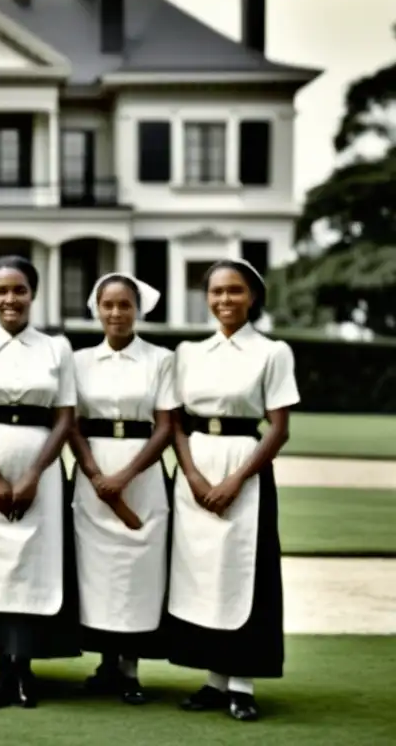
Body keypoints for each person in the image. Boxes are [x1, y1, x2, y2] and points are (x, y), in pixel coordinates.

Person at [166, 258, 300, 722]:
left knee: (243, 572)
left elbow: (279, 429)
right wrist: (194, 477)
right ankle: (213, 680)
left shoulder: (272, 352)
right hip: (196, 467)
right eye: (216, 292)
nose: (224, 300)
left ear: (253, 297)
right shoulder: (188, 353)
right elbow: (176, 423)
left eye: (235, 291)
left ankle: (242, 684)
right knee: (202, 574)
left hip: (244, 468)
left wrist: (235, 480)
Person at [0, 255, 80, 710]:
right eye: (2, 290)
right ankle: (0, 673)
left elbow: (64, 418)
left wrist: (32, 473)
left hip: (40, 475)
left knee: (31, 568)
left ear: (33, 294)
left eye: (19, 290)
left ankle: (25, 671)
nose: (11, 299)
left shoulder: (56, 349)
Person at [67, 273, 177, 705]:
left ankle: (130, 669)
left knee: (137, 570)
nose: (116, 313)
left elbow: (166, 427)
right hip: (93, 474)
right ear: (96, 309)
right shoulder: (78, 361)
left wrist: (124, 478)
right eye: (108, 305)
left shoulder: (161, 359)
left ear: (138, 310)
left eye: (124, 305)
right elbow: (71, 425)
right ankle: (105, 663)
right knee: (98, 572)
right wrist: (96, 476)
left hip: (142, 476)